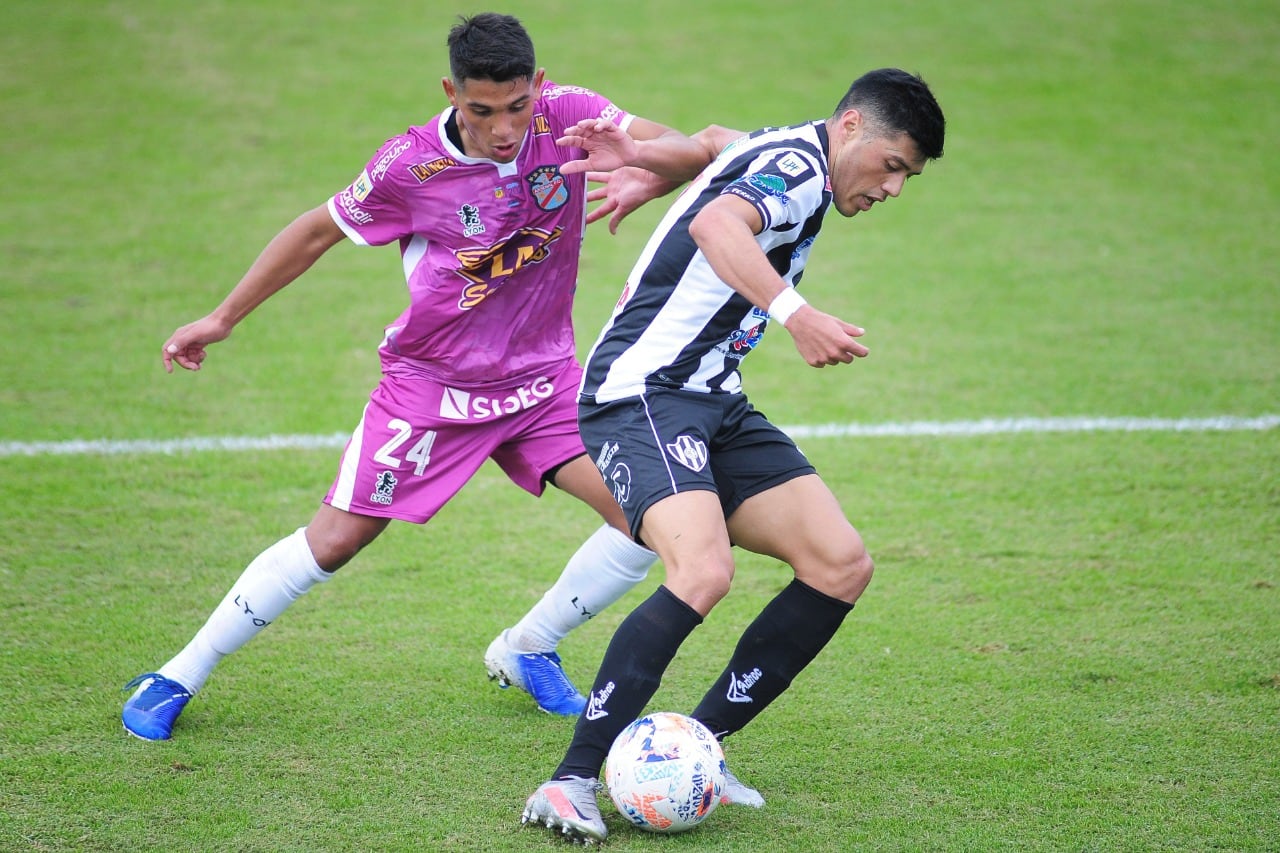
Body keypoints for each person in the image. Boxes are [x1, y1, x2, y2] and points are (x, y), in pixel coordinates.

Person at [121, 12, 724, 740]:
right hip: (433, 389)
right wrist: (221, 318)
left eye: (516, 106)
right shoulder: (409, 166)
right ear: (451, 92)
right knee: (335, 540)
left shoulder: (570, 115)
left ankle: (528, 645)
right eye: (481, 110)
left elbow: (683, 153)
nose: (504, 129)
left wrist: (642, 180)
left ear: (538, 84)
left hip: (544, 383)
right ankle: (179, 672)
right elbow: (316, 230)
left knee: (647, 514)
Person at [521, 68, 946, 843]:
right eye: (893, 165)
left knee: (839, 561)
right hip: (641, 392)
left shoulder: (788, 153)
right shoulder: (798, 169)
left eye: (908, 178)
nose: (893, 188)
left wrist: (658, 163)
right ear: (851, 126)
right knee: (703, 569)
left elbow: (719, 143)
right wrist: (797, 314)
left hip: (713, 398)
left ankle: (699, 748)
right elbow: (719, 225)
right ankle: (570, 779)